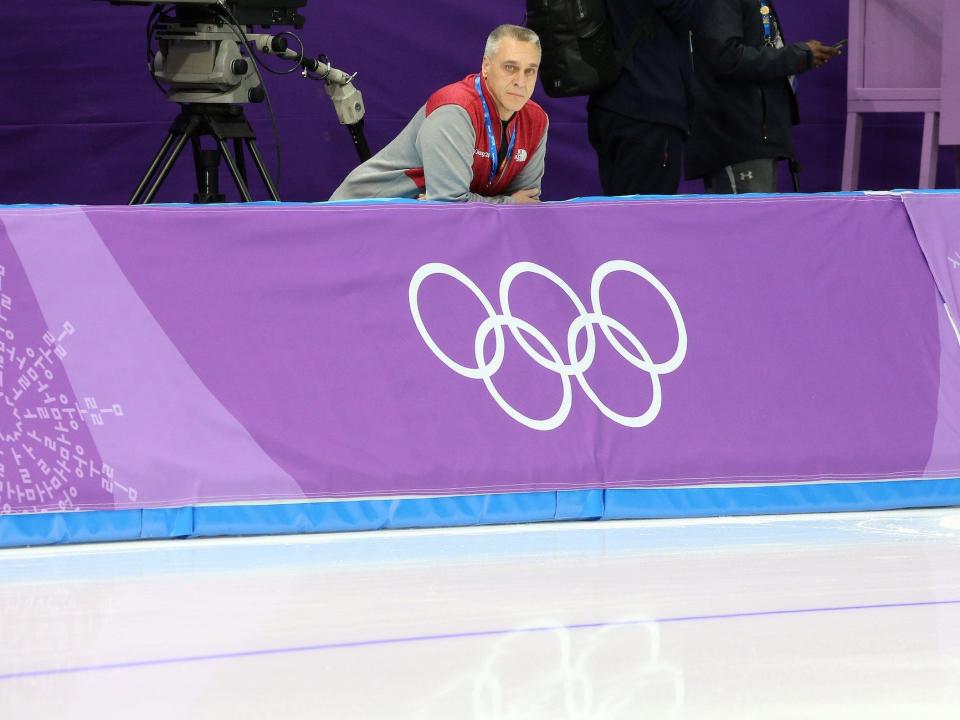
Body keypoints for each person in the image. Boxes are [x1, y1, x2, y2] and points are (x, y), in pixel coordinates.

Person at [330, 25, 548, 204]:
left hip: (420, 223)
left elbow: (528, 203)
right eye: (510, 67)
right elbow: (450, 206)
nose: (521, 81)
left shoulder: (536, 120)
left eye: (530, 70)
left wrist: (507, 204)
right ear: (486, 66)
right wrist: (508, 203)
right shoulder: (455, 111)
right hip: (361, 213)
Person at [686, 0, 839, 193]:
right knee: (744, 221)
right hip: (736, 135)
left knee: (758, 220)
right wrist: (796, 57)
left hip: (756, 133)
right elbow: (725, 57)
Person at [587, 0, 703, 197]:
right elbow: (693, 14)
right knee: (647, 219)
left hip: (611, 105)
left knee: (619, 218)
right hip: (648, 109)